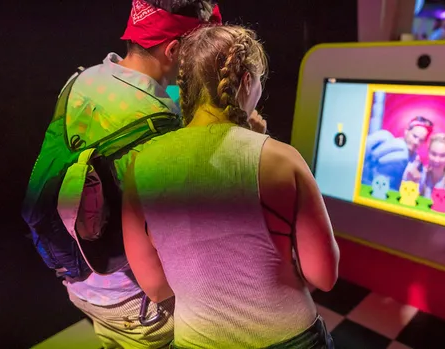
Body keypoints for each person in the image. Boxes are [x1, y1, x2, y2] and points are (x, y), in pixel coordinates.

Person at [122, 25, 339, 348]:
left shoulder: (139, 165)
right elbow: (323, 275)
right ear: (248, 81)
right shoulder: (282, 160)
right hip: (291, 336)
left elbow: (155, 286)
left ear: (187, 84)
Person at [31, 1, 221, 348]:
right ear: (174, 49)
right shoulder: (160, 121)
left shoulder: (82, 79)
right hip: (133, 299)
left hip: (79, 280)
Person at [362, 116, 434, 191]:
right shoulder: (385, 142)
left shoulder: (418, 167)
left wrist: (415, 181)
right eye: (414, 136)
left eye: (421, 140)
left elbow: (414, 194)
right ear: (406, 131)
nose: (416, 142)